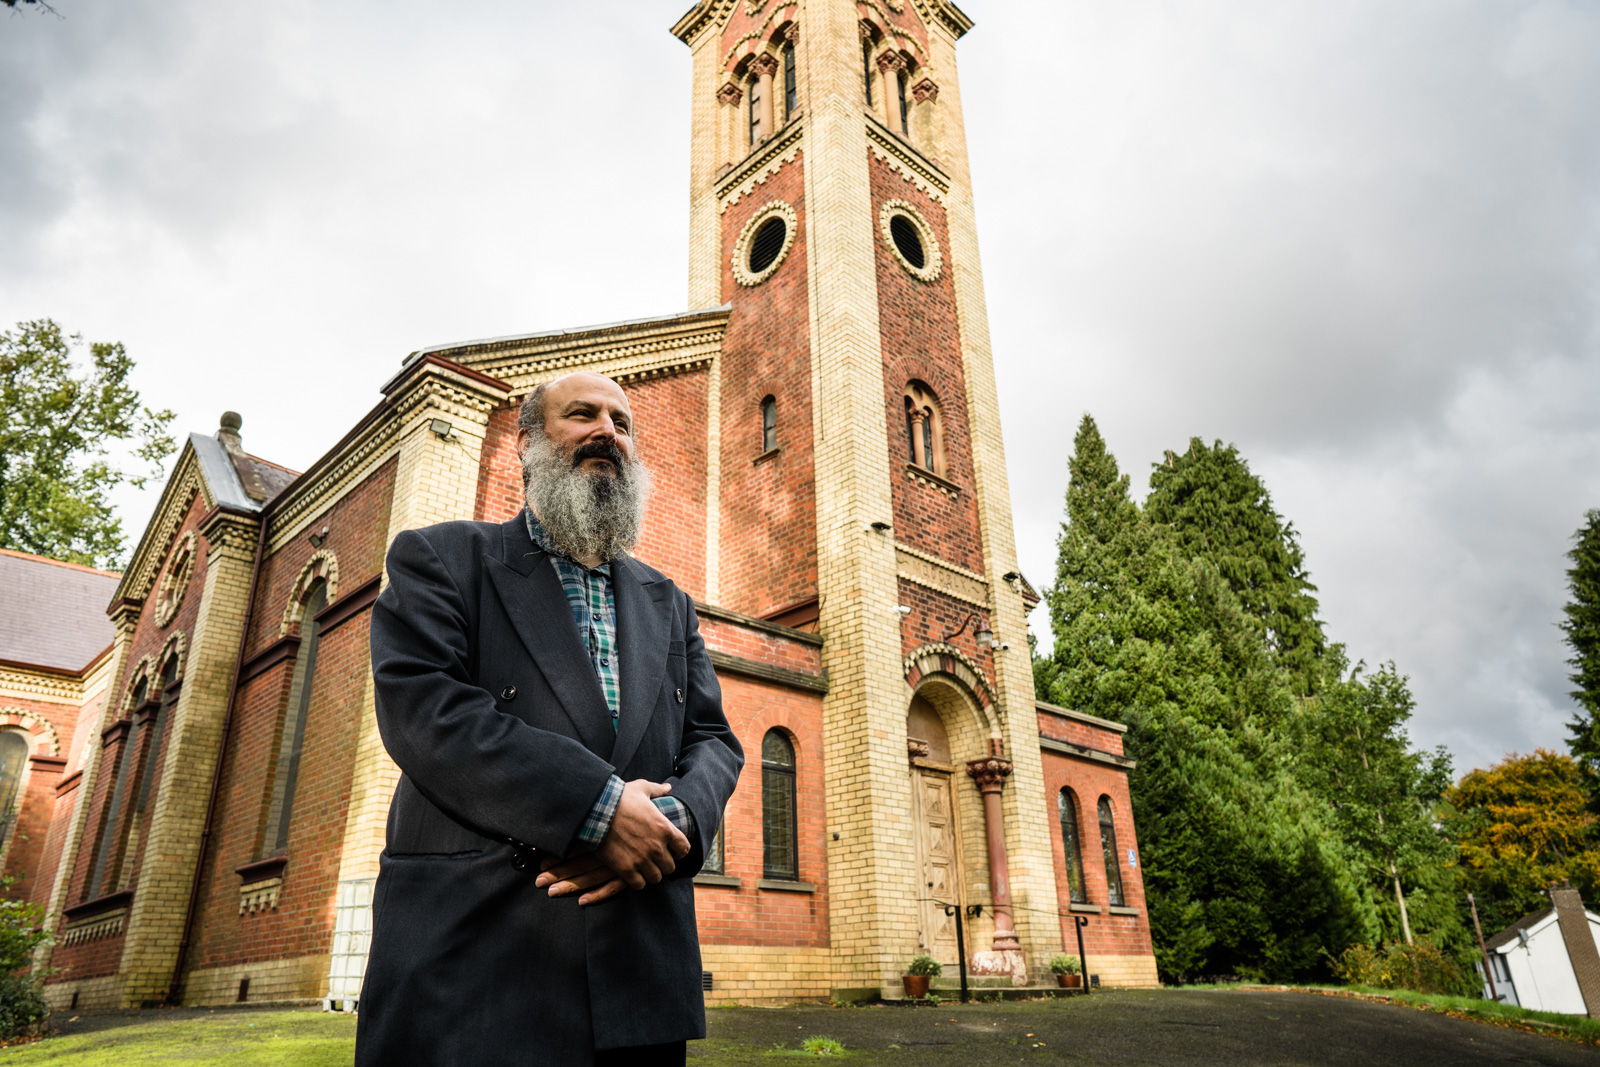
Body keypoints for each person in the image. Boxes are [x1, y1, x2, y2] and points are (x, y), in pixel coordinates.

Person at [356, 371, 744, 1066]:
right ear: (527, 442)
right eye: (583, 414)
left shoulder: (671, 603)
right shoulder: (442, 558)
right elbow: (426, 709)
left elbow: (713, 740)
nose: (608, 431)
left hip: (639, 973)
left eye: (622, 423)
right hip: (477, 968)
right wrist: (598, 809)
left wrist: (674, 822)